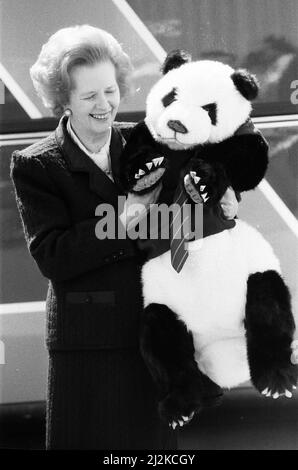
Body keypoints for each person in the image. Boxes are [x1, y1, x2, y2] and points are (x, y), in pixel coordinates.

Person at [10, 25, 239, 450]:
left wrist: (222, 198)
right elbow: (53, 257)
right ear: (64, 98)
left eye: (110, 90)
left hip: (151, 337)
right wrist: (123, 218)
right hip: (87, 345)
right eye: (89, 96)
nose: (105, 104)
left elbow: (188, 199)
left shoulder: (146, 140)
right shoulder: (37, 164)